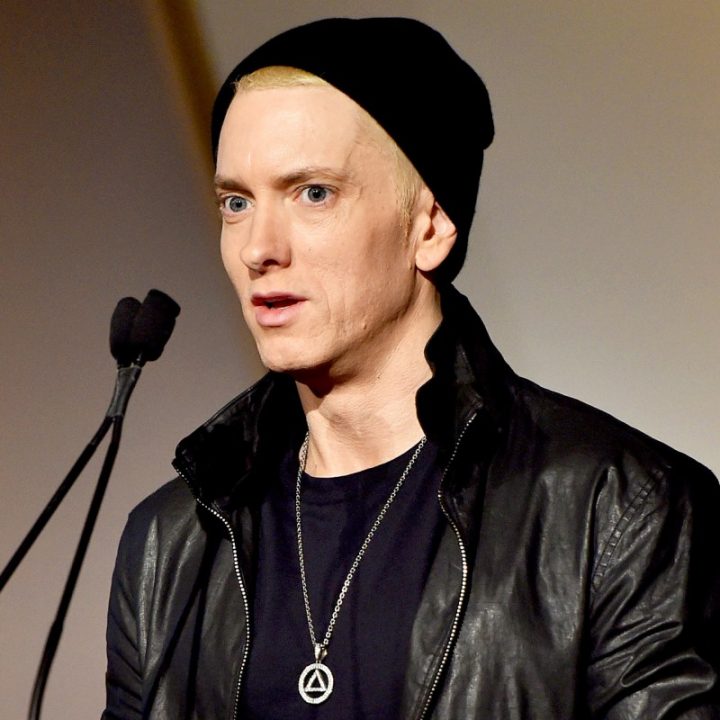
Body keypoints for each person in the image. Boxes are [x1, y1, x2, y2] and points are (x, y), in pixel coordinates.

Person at [103, 17, 720, 720]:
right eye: (236, 202)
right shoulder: (168, 544)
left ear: (429, 225)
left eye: (313, 193)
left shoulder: (619, 510)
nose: (257, 248)